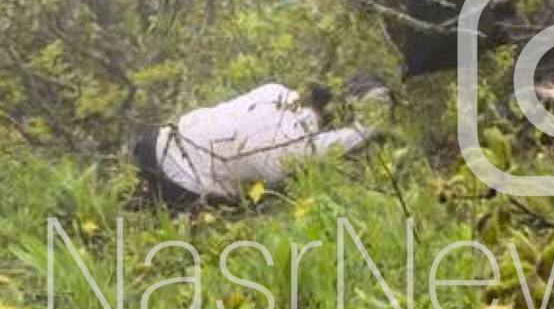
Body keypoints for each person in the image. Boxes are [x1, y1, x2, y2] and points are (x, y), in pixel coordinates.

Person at [133, 75, 391, 209]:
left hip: (155, 140)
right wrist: (366, 127)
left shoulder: (274, 91)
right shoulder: (292, 150)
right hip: (180, 185)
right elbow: (350, 139)